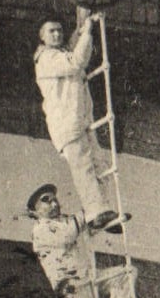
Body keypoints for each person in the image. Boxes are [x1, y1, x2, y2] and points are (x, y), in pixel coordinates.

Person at [34, 15, 124, 228]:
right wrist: (89, 29)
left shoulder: (60, 53)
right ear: (42, 37)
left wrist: (83, 26)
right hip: (66, 124)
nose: (56, 34)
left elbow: (74, 46)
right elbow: (76, 62)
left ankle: (104, 210)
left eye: (59, 30)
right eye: (51, 31)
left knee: (98, 164)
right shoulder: (46, 58)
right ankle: (95, 212)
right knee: (83, 167)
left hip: (80, 121)